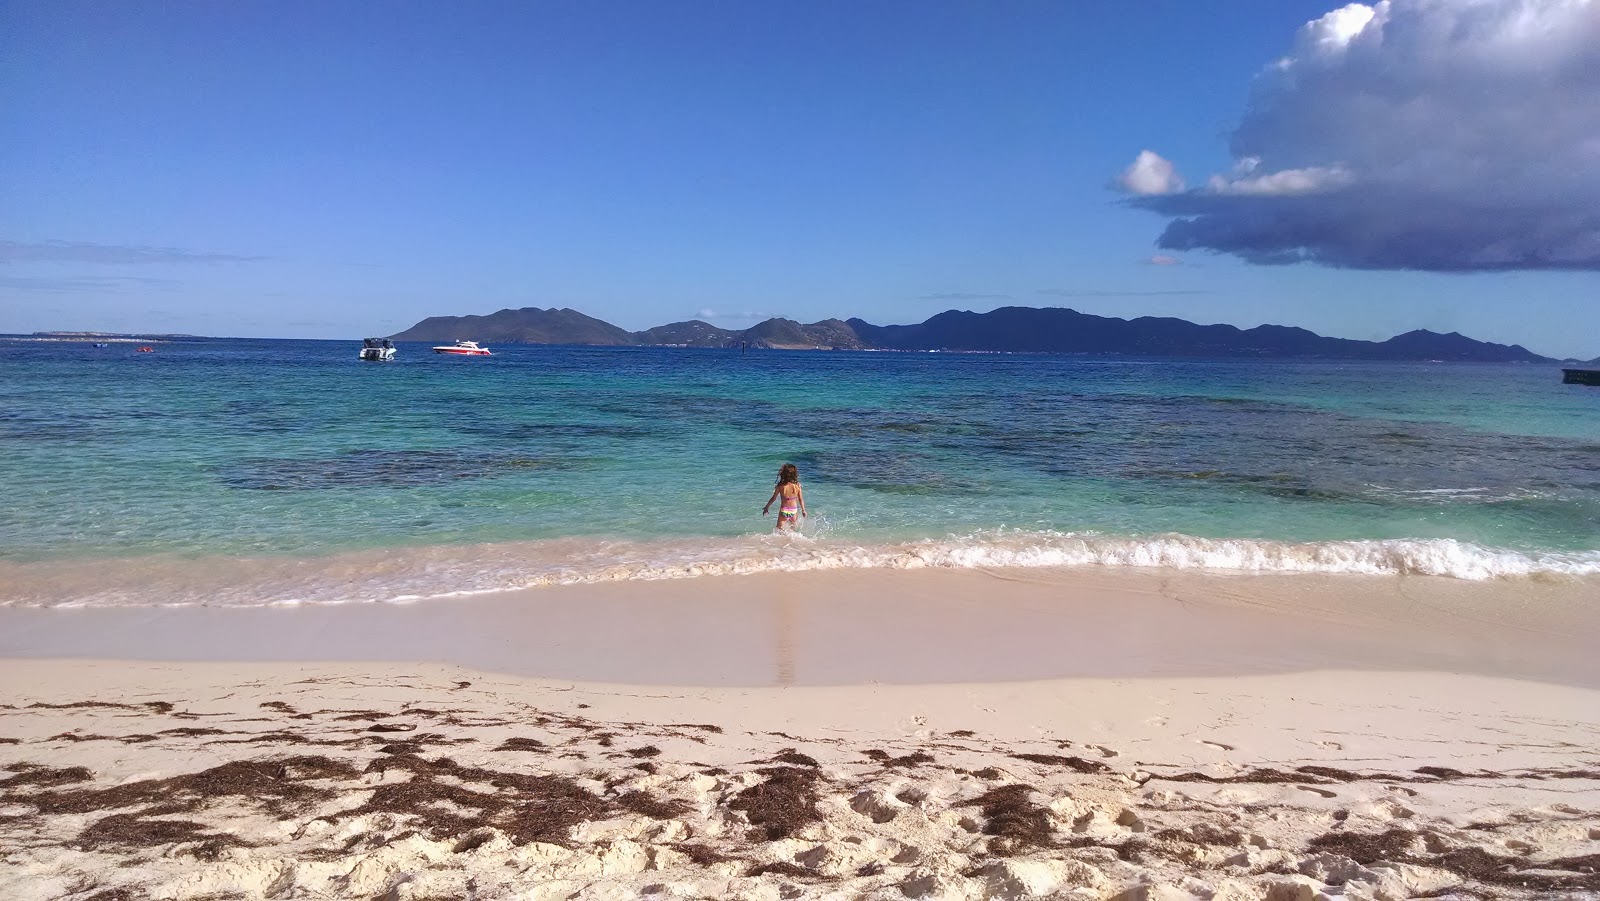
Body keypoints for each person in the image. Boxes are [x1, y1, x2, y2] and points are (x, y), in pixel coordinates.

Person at [762, 463, 807, 532]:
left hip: (784, 509)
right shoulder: (797, 486)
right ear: (794, 474)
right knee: (793, 529)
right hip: (793, 510)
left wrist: (766, 507)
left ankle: (780, 540)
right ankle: (790, 541)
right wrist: (803, 510)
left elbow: (773, 498)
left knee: (779, 529)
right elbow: (801, 499)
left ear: (783, 474)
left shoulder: (780, 486)